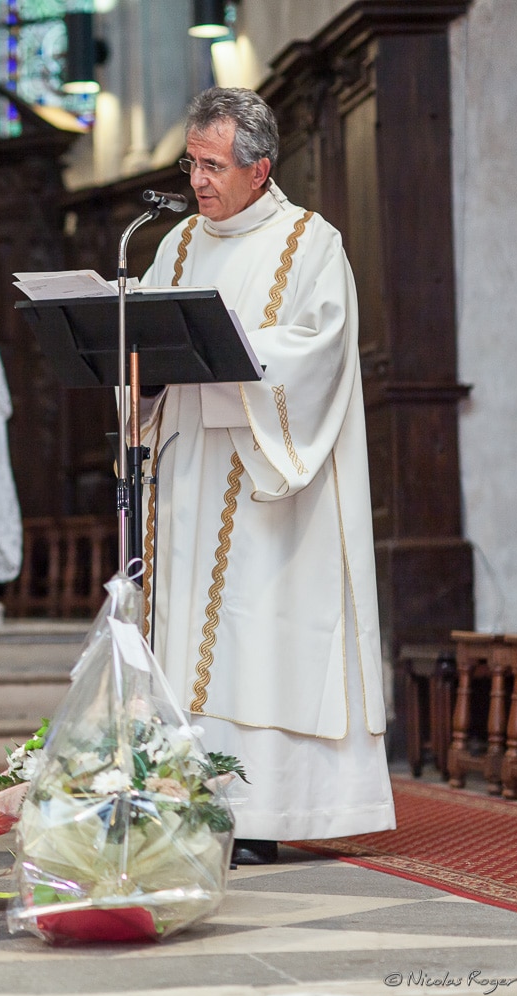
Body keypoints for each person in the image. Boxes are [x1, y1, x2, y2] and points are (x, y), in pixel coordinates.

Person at [137, 88, 394, 864]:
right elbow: (146, 335)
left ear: (260, 169)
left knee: (258, 638)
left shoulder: (310, 242)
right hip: (187, 474)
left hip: (265, 481)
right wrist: (138, 367)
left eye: (213, 165)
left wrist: (226, 343)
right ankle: (181, 799)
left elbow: (318, 352)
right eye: (191, 162)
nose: (198, 180)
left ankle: (259, 809)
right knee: (188, 636)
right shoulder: (176, 244)